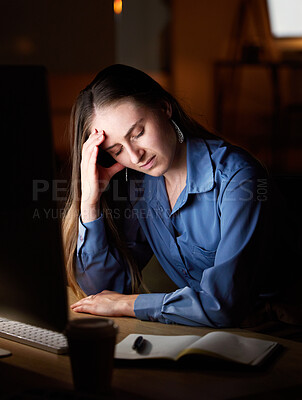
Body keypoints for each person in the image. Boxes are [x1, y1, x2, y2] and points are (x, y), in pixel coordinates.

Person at [62, 64, 290, 328]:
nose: (135, 156)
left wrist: (129, 304)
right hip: (212, 336)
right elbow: (104, 292)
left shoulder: (239, 179)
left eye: (138, 133)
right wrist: (90, 202)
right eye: (116, 150)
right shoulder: (141, 185)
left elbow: (223, 305)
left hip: (281, 335)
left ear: (164, 107)